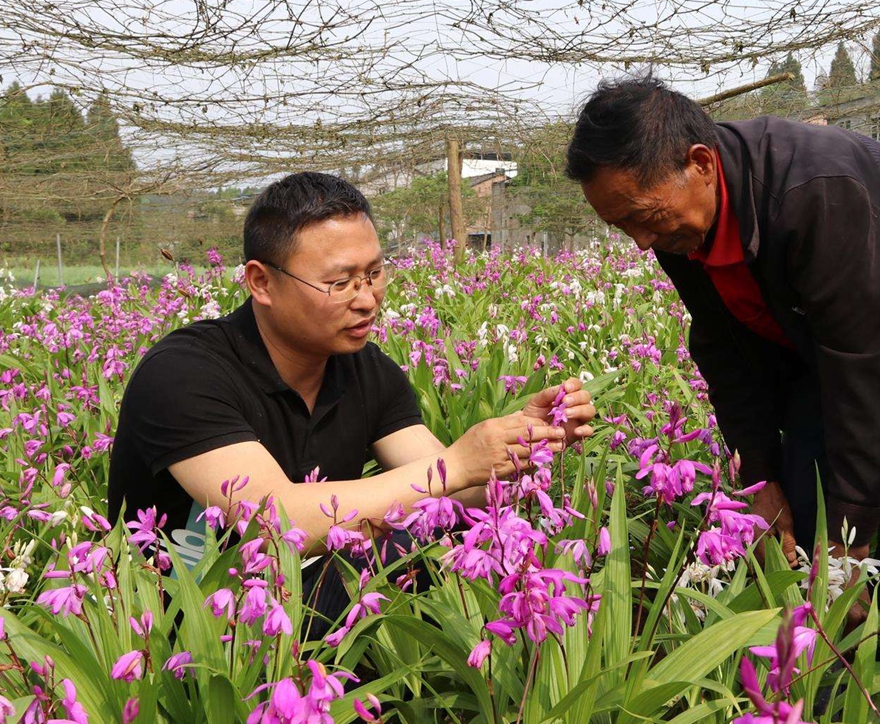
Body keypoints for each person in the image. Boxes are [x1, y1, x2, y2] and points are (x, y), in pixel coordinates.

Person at [564, 75, 880, 584]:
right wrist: (759, 478)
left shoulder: (814, 190)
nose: (640, 241)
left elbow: (865, 368)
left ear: (700, 164)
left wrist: (846, 548)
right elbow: (724, 349)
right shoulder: (679, 224)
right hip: (825, 339)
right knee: (805, 507)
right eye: (621, 226)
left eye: (643, 217)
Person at [107, 172, 596, 626]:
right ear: (261, 282)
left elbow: (452, 491)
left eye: (375, 273)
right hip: (187, 621)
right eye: (340, 283)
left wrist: (521, 448)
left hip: (306, 597)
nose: (367, 299)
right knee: (415, 551)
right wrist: (461, 463)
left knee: (467, 539)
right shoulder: (183, 372)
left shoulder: (365, 369)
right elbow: (275, 523)